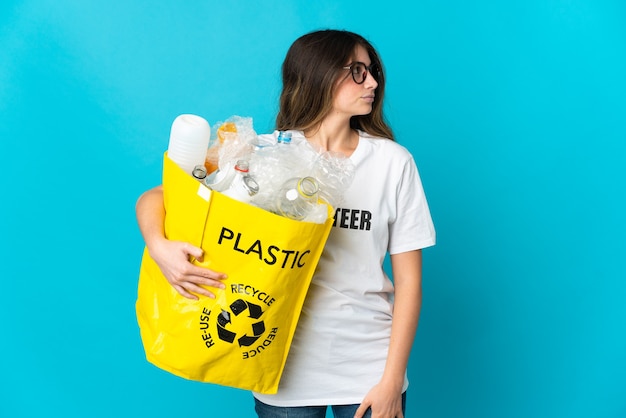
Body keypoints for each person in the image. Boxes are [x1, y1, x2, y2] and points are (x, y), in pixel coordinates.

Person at [136, 29, 435, 418]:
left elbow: (410, 283)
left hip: (369, 366)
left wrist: (393, 380)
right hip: (279, 363)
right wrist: (160, 248)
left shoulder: (393, 163)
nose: (374, 83)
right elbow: (157, 197)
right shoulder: (261, 154)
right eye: (358, 71)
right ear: (318, 75)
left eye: (372, 71)